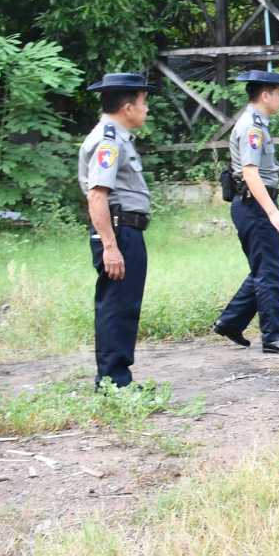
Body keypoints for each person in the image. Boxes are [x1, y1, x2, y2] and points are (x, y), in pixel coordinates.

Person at [214, 69, 279, 354]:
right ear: (266, 95)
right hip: (254, 205)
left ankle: (230, 322)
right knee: (269, 273)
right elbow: (250, 173)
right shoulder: (252, 127)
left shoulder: (257, 124)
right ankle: (275, 337)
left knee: (263, 268)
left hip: (253, 204)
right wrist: (273, 213)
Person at [78, 72, 156, 388]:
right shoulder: (108, 141)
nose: (146, 109)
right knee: (117, 305)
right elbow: (97, 196)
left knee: (125, 305)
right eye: (144, 102)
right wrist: (110, 246)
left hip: (125, 231)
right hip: (118, 232)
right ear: (128, 107)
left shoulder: (118, 138)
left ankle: (117, 378)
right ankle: (114, 382)